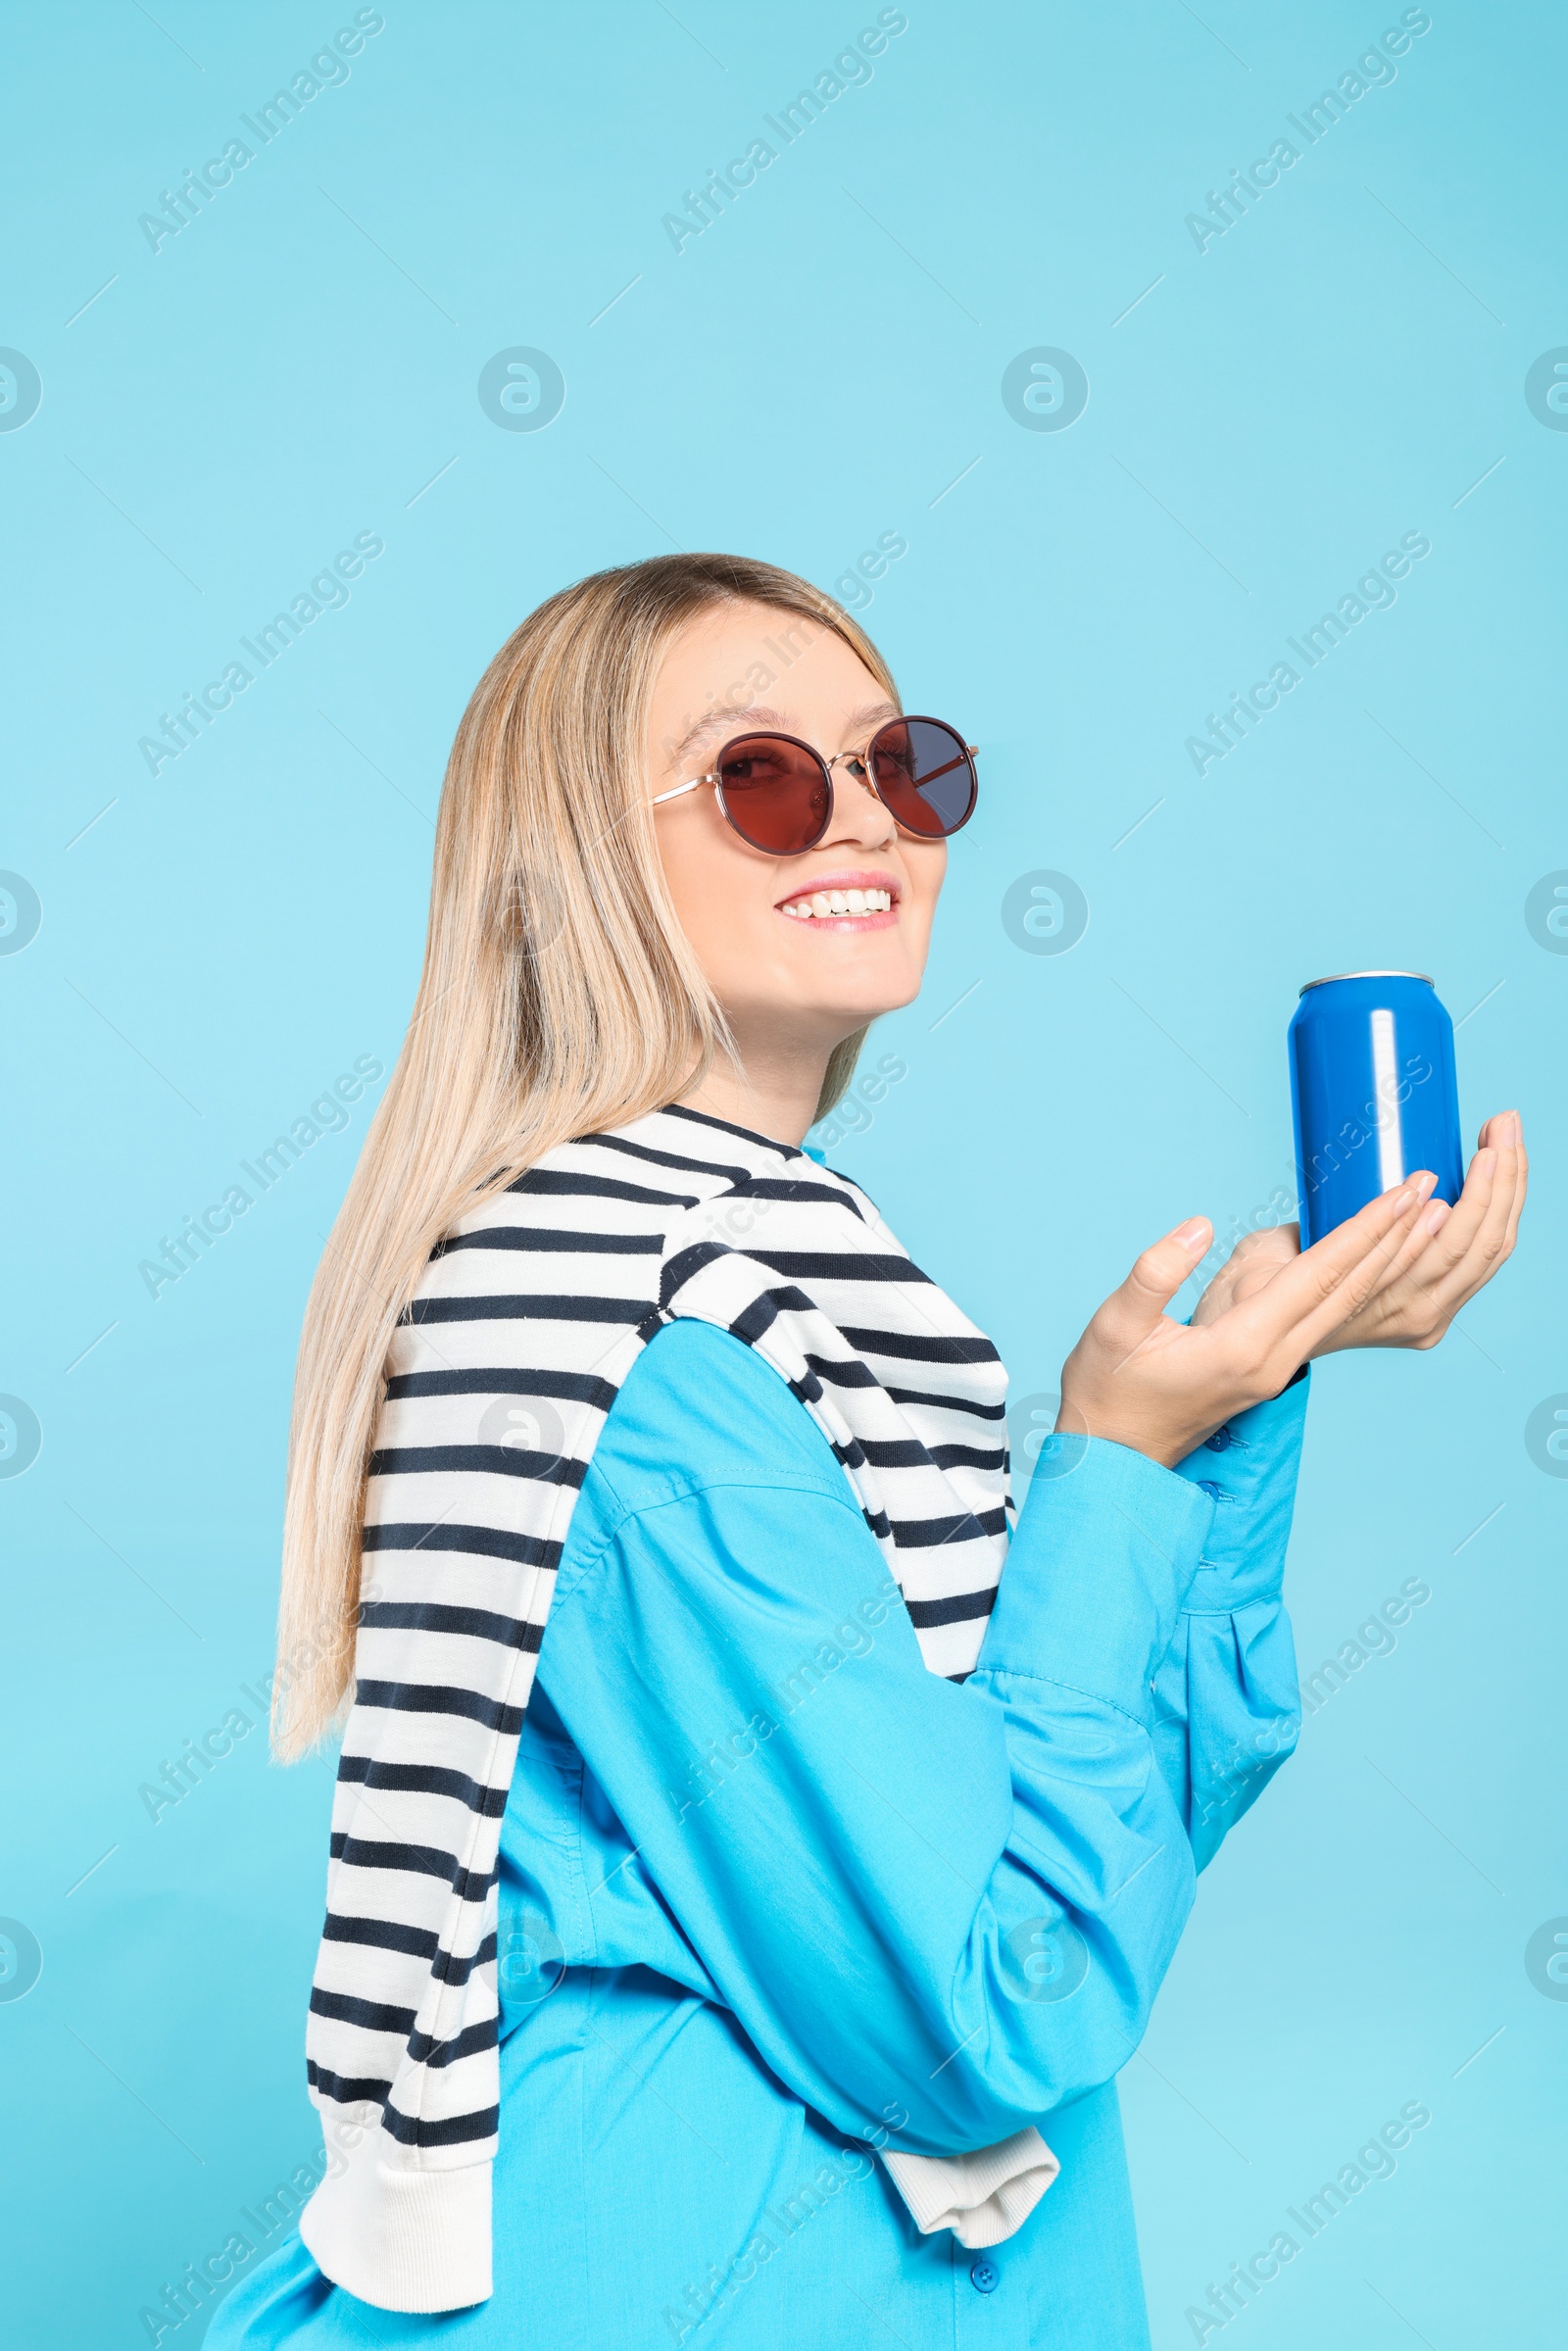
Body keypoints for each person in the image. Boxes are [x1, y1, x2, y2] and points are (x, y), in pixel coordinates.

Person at [209, 554, 1525, 2351]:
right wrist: (1116, 1468)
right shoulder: (629, 1328)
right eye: (762, 776)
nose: (866, 825)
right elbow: (990, 2010)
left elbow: (1118, 1840)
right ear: (581, 855)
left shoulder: (792, 1280)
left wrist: (1220, 1409)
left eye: (902, 766)